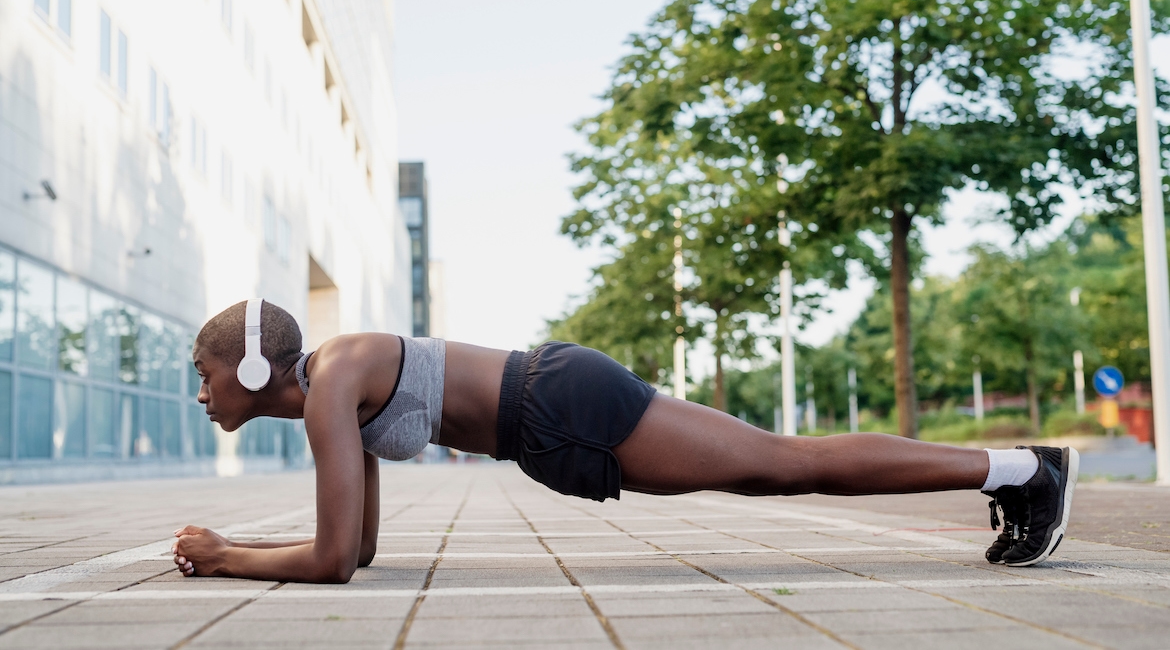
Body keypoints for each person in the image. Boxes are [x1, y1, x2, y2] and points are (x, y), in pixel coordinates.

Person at [172, 299, 1079, 583]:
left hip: (562, 402)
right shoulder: (335, 393)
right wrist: (243, 553)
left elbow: (331, 562)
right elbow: (361, 549)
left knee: (782, 463)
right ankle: (1019, 473)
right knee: (774, 471)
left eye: (205, 373)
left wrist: (226, 557)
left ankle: (1025, 468)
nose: (200, 392)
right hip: (553, 416)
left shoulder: (333, 381)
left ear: (252, 371)